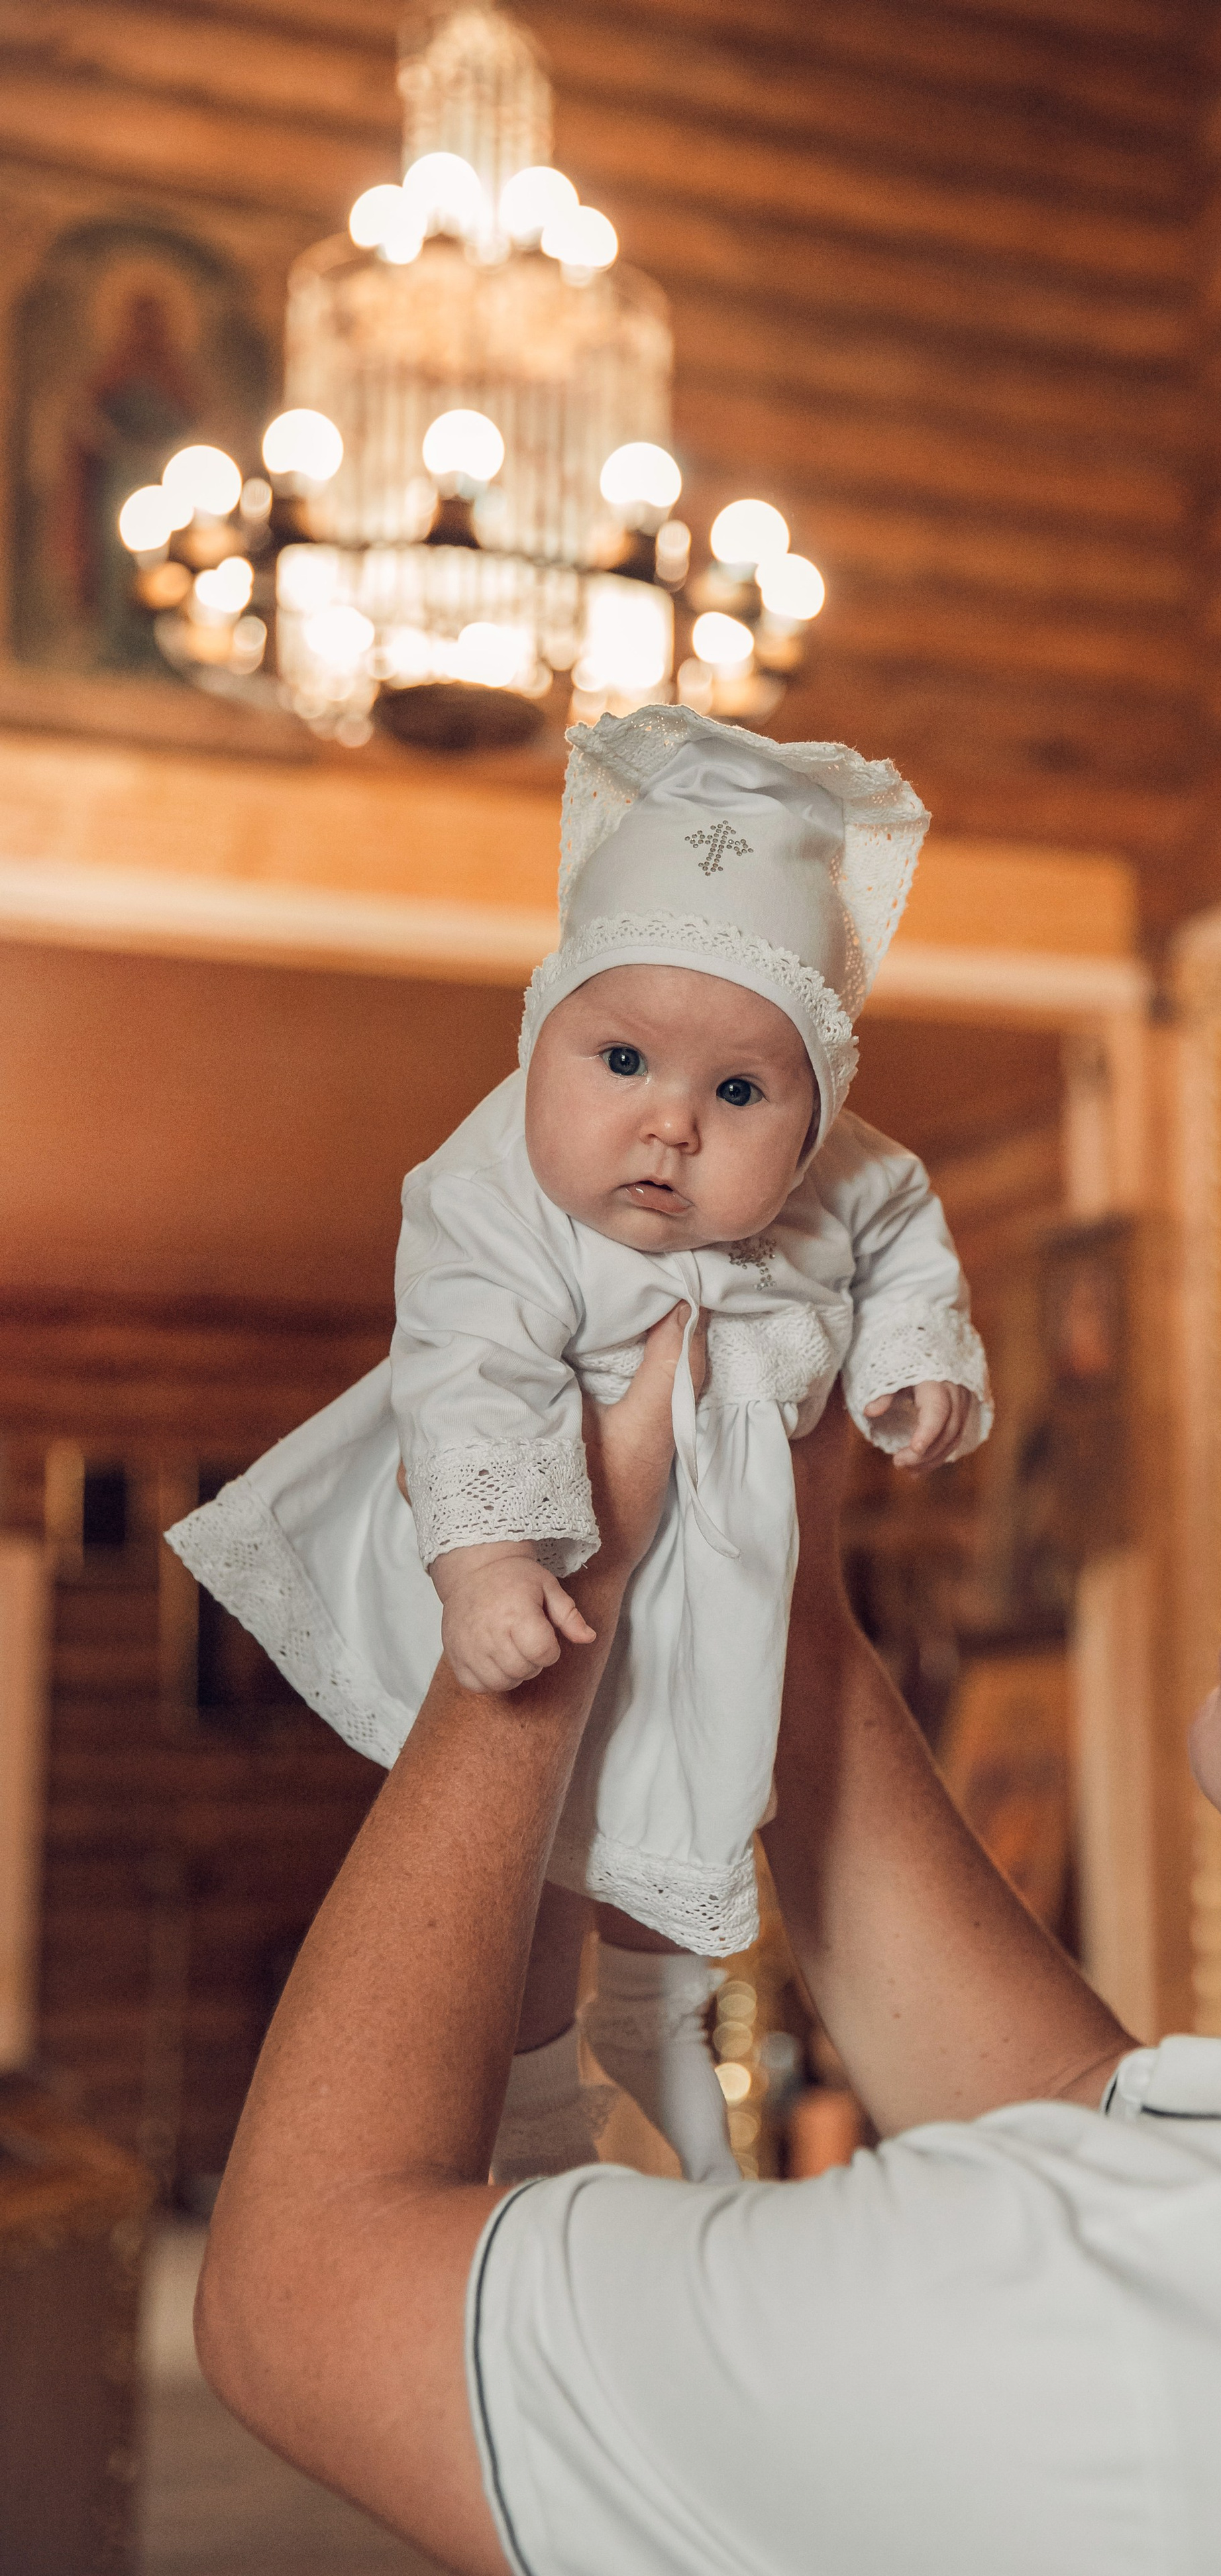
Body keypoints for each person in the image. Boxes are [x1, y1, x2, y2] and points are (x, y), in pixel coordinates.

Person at [195, 1215, 1221, 2574]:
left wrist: (535, 1601)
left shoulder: (1112, 2340)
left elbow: (301, 2294)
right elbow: (1061, 2106)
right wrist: (779, 1598)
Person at [166, 706, 989, 2186]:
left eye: (738, 1093)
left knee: (693, 1817)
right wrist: (489, 1562)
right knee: (537, 1841)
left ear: (812, 1117)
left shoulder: (844, 1180)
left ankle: (660, 2039)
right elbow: (469, 1377)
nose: (667, 1125)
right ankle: (540, 2098)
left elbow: (905, 1233)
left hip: (714, 1584)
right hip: (546, 1555)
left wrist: (911, 1358)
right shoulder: (492, 1194)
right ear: (539, 1035)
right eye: (619, 1060)